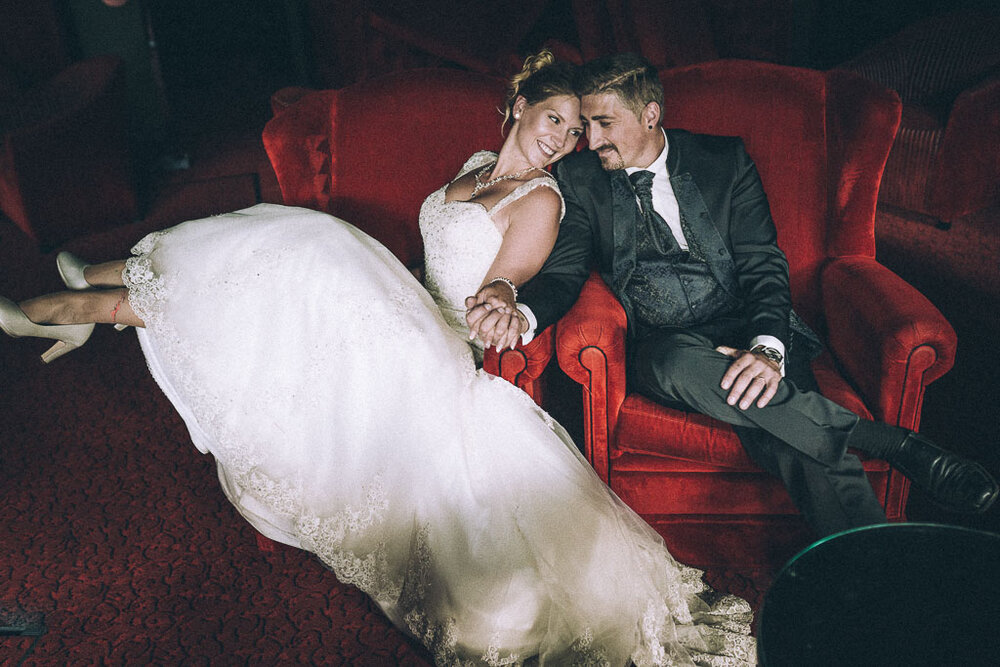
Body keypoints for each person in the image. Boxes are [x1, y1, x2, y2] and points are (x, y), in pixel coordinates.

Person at [0, 53, 756, 666]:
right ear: (518, 105)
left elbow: (510, 277)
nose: (561, 137)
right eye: (551, 118)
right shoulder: (476, 163)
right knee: (293, 254)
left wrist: (500, 293)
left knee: (308, 251)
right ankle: (103, 286)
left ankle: (77, 307)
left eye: (571, 129)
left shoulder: (542, 200)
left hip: (438, 343)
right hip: (408, 309)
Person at [467, 52, 998, 538]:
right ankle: (892, 443)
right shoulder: (580, 178)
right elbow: (563, 273)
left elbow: (764, 262)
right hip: (664, 344)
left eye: (605, 124)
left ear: (650, 114)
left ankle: (871, 569)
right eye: (589, 126)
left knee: (796, 440)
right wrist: (524, 309)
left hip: (747, 325)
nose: (592, 140)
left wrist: (766, 346)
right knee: (677, 363)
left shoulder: (725, 160)